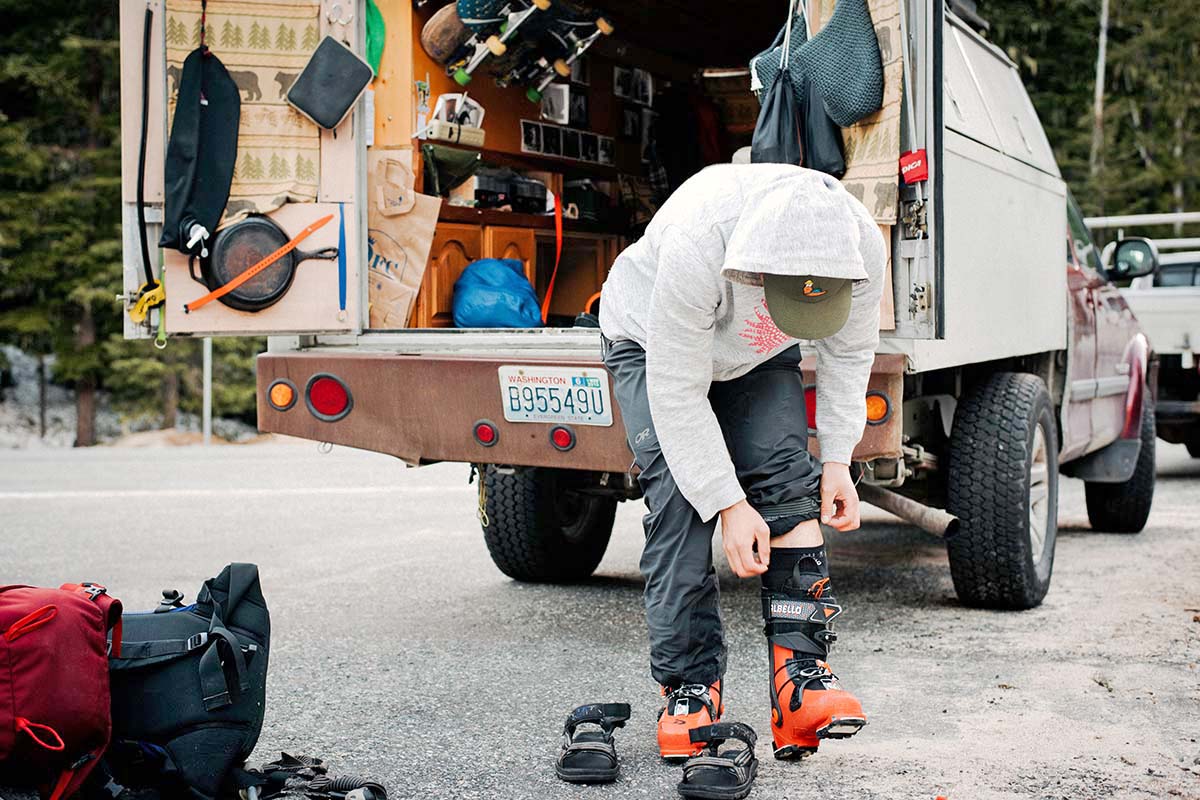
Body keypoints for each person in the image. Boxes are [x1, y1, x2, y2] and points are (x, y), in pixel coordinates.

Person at [598, 162, 885, 760]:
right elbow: (677, 390)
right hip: (652, 340)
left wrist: (837, 460)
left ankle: (800, 685)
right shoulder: (701, 239)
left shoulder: (861, 246)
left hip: (755, 354)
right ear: (758, 267)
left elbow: (850, 353)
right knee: (681, 498)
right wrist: (728, 502)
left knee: (788, 482)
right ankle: (690, 687)